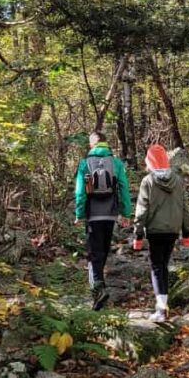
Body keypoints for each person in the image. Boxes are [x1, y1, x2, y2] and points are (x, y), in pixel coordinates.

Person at [133, 144, 189, 322]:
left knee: (157, 267)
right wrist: (187, 232)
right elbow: (184, 208)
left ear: (150, 162)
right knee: (163, 266)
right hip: (173, 230)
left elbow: (142, 210)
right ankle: (163, 303)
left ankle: (161, 309)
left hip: (155, 230)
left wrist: (137, 235)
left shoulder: (148, 181)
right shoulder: (178, 180)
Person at [74, 131, 131, 310]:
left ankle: (98, 289)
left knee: (93, 253)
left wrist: (79, 213)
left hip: (93, 215)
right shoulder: (116, 163)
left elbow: (80, 192)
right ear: (106, 144)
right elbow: (124, 188)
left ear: (92, 144)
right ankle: (100, 286)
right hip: (110, 215)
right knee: (104, 249)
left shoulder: (85, 163)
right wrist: (126, 213)